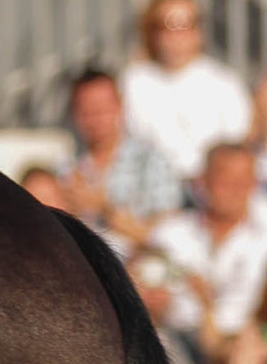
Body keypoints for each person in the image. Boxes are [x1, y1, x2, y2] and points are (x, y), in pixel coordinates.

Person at [145, 142, 267, 364]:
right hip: (179, 348)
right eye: (224, 180)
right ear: (202, 181)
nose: (234, 190)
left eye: (242, 181)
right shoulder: (169, 236)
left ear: (255, 184)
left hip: (254, 353)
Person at [120, 0, 252, 190]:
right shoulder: (133, 81)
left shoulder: (224, 82)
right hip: (149, 190)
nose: (177, 36)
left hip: (210, 188)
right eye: (168, 26)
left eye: (186, 25)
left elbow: (237, 139)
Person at [61, 62, 185, 250]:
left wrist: (104, 209)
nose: (95, 118)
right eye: (86, 111)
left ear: (120, 107)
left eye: (102, 109)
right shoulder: (64, 168)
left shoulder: (153, 163)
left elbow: (164, 241)